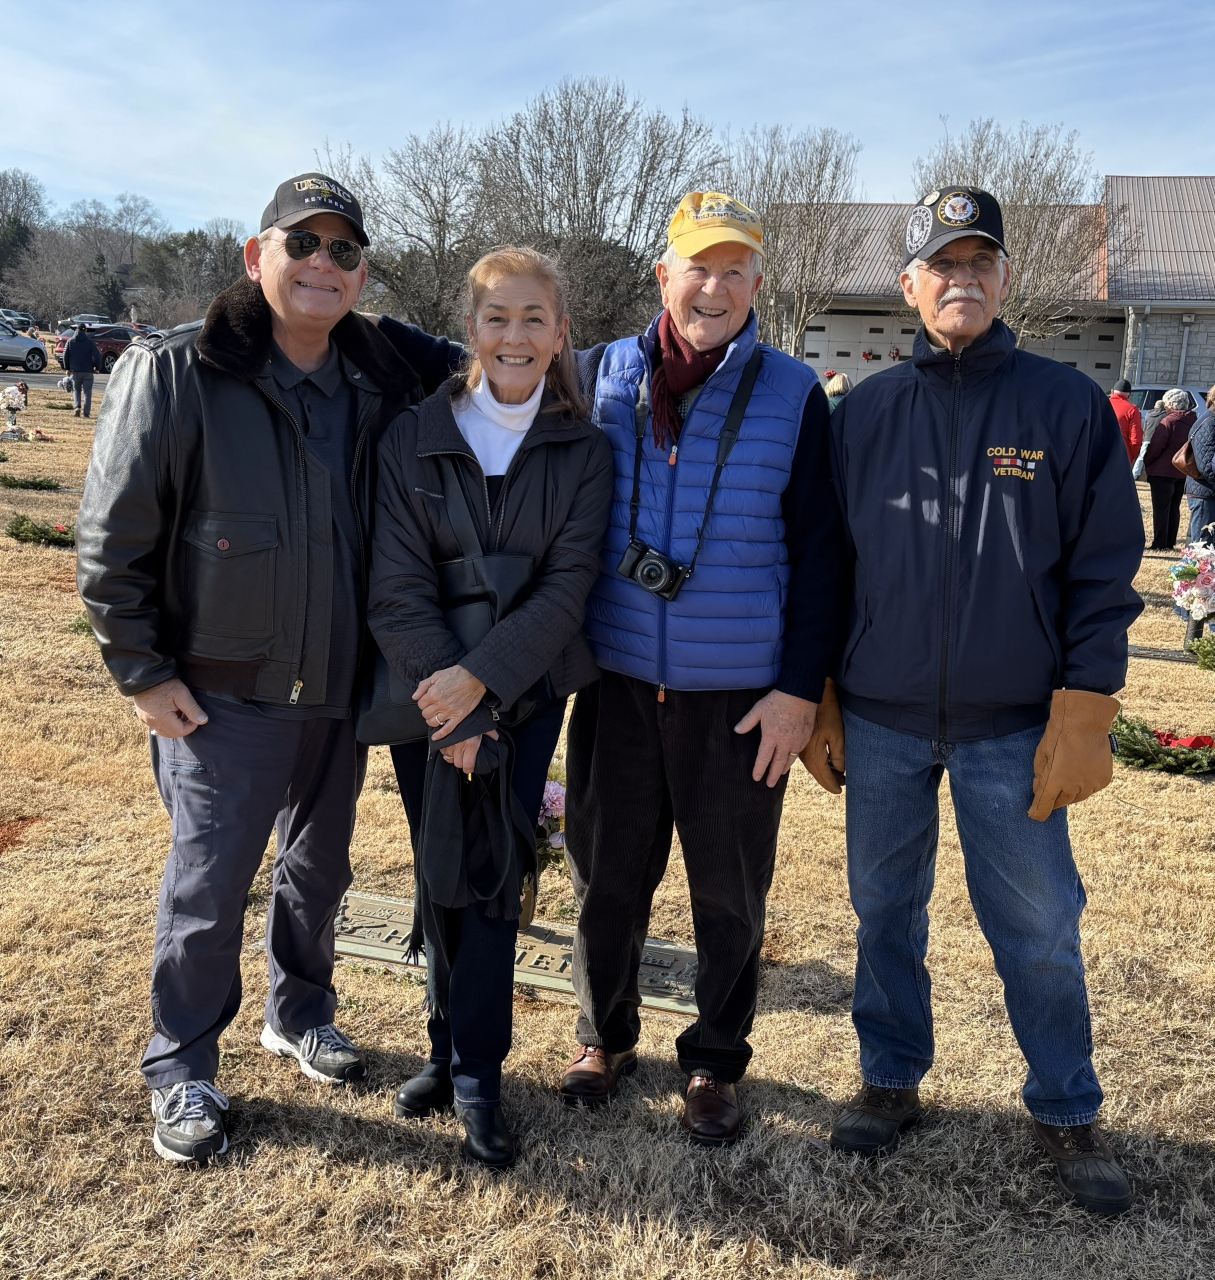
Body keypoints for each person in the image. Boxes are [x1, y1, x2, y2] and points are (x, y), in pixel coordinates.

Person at [76, 172, 459, 1164]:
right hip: (219, 694)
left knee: (319, 871)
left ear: (361, 273)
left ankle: (299, 1012)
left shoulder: (378, 380)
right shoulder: (176, 372)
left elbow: (493, 361)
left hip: (338, 689)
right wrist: (142, 672)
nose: (322, 263)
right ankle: (182, 1065)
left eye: (344, 250)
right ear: (257, 256)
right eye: (303, 243)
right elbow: (111, 539)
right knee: (208, 890)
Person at [807, 186, 1143, 1215]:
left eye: (979, 262)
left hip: (1016, 724)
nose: (962, 279)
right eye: (941, 265)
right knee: (882, 911)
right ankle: (890, 1075)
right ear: (908, 285)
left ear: (1003, 277)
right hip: (881, 715)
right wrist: (821, 687)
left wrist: (1086, 703)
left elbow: (1103, 567)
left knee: (1038, 925)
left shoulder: (1065, 405)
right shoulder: (863, 414)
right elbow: (825, 564)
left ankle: (1064, 1104)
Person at [557, 191, 848, 1146]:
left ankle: (715, 1059)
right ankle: (603, 1038)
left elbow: (821, 555)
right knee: (605, 879)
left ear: (757, 283)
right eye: (697, 267)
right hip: (617, 683)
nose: (712, 288)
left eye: (733, 270)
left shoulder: (793, 392)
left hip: (739, 697)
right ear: (663, 275)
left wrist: (797, 692)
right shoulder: (596, 375)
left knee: (728, 893)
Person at [368, 247, 612, 1168]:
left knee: (493, 876)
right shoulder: (412, 435)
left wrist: (486, 690)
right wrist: (454, 706)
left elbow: (566, 587)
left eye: (533, 319)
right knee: (437, 869)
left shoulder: (583, 449)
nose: (515, 336)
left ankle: (479, 1073)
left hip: (525, 693)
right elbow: (394, 585)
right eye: (497, 317)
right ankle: (441, 1049)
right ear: (470, 328)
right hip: (426, 697)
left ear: (559, 333)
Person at [1143, 388, 1197, 549]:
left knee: (1161, 509)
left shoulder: (1169, 421)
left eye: (1166, 403)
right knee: (1174, 507)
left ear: (1172, 404)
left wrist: (1148, 461)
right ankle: (1170, 541)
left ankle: (1159, 543)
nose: (1165, 406)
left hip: (1162, 471)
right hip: (1182, 470)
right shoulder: (1193, 420)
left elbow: (1156, 446)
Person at [1184, 387, 1215, 543]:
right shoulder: (1210, 422)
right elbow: (1206, 466)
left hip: (1208, 492)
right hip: (1204, 493)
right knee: (1201, 546)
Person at [63, 323, 104, 417]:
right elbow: (98, 356)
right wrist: (97, 367)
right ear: (85, 331)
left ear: (76, 330)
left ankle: (77, 406)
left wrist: (67, 368)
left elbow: (65, 355)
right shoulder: (89, 342)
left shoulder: (70, 341)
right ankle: (86, 413)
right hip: (88, 370)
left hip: (75, 370)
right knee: (87, 393)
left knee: (76, 390)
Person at [1108, 378, 1142, 465]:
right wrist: (1129, 458)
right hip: (1120, 457)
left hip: (1096, 454)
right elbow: (1135, 441)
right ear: (1129, 395)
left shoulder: (1099, 404)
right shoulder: (1132, 409)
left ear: (1112, 391)